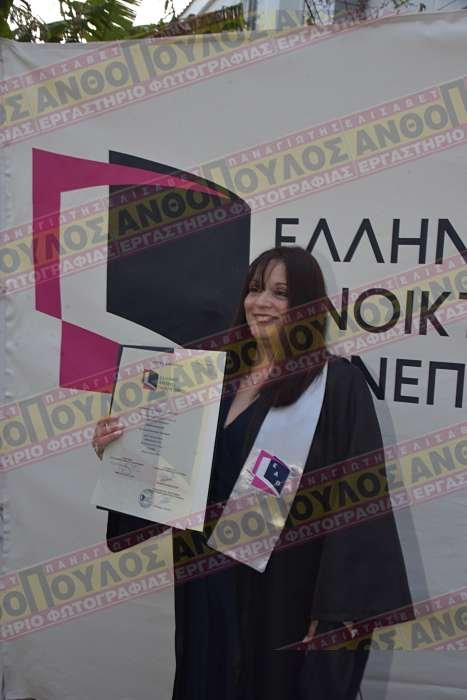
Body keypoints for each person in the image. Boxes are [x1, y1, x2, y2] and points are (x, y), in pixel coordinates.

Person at [93, 246, 412, 700]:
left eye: (281, 293)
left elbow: (358, 501)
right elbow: (177, 472)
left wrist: (335, 611)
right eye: (256, 289)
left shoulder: (336, 386)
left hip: (281, 585)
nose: (262, 302)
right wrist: (118, 452)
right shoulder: (212, 379)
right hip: (203, 573)